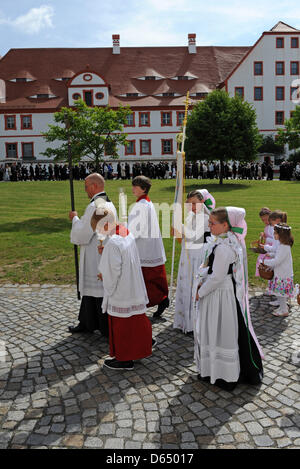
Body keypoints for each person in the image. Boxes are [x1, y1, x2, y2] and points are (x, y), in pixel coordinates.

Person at [194, 207, 264, 391]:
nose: (209, 226)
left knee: (220, 331)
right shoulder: (228, 241)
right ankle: (215, 370)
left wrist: (200, 292)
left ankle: (223, 374)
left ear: (225, 225)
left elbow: (217, 277)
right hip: (222, 291)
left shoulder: (225, 247)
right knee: (221, 330)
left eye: (212, 223)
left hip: (219, 294)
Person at [92, 209, 153, 370]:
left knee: (123, 326)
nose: (99, 233)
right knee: (135, 321)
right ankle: (139, 351)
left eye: (98, 229)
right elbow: (124, 256)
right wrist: (106, 253)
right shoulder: (125, 232)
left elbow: (113, 270)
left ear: (105, 224)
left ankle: (124, 359)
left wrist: (103, 276)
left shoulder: (112, 243)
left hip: (122, 290)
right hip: (133, 285)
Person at [68, 173, 117, 335]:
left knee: (96, 290)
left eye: (86, 186)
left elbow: (83, 233)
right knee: (92, 291)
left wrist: (75, 219)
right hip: (103, 251)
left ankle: (103, 326)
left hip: (95, 253)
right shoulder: (107, 202)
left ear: (94, 186)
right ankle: (87, 322)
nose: (85, 190)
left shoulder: (95, 206)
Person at [128, 176, 169, 319]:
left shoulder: (141, 205)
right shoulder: (145, 202)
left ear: (143, 189)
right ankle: (161, 299)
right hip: (149, 246)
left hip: (144, 248)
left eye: (135, 186)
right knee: (152, 278)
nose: (132, 188)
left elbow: (135, 230)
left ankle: (159, 300)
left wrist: (124, 236)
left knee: (147, 280)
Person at [173, 190, 209, 334]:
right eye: (189, 204)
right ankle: (183, 320)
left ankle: (194, 323)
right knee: (185, 284)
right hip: (187, 253)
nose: (192, 207)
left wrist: (180, 227)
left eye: (194, 203)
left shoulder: (206, 218)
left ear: (201, 202)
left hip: (197, 255)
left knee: (194, 285)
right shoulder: (190, 216)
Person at [263, 223, 294, 317]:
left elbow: (277, 260)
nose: (274, 235)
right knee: (279, 292)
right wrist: (271, 255)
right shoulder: (282, 245)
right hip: (280, 273)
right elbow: (278, 254)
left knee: (281, 293)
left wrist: (265, 262)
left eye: (275, 233)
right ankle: (282, 307)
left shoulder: (284, 246)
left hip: (283, 274)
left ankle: (284, 310)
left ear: (282, 235)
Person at [255, 207, 272, 277]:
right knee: (261, 260)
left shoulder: (272, 227)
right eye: (263, 220)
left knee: (263, 261)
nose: (265, 222)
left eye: (267, 219)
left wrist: (266, 238)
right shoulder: (267, 226)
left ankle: (266, 273)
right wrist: (264, 236)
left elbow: (274, 239)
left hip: (271, 248)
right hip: (267, 247)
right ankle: (265, 273)